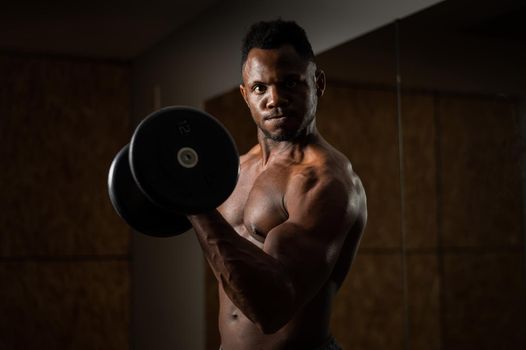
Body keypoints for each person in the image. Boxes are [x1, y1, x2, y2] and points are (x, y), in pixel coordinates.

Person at [187, 19, 367, 350]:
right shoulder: (236, 169)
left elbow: (271, 310)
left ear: (318, 82)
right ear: (245, 94)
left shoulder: (325, 182)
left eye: (290, 84)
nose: (275, 99)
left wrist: (193, 203)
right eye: (260, 88)